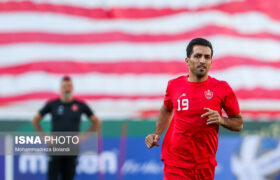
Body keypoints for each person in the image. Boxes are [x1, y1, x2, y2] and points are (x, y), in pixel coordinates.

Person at [145, 38, 243, 180]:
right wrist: (157, 133)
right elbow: (166, 109)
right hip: (175, 162)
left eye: (207, 57)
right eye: (198, 56)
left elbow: (238, 123)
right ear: (187, 60)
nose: (202, 60)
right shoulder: (174, 85)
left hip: (204, 164)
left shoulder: (222, 88)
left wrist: (222, 120)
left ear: (211, 62)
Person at [32, 75, 101, 180]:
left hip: (72, 146)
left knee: (68, 176)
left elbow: (96, 121)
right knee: (52, 176)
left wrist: (84, 136)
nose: (67, 88)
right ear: (60, 88)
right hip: (55, 146)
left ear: (72, 88)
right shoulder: (53, 104)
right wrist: (43, 136)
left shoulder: (80, 105)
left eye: (69, 86)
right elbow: (36, 119)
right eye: (65, 86)